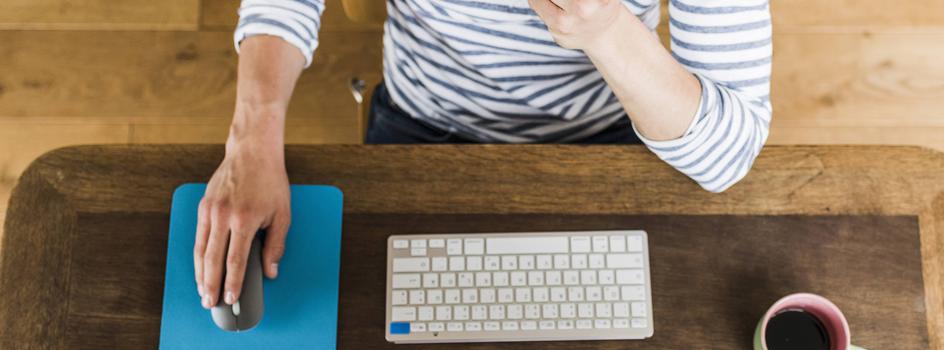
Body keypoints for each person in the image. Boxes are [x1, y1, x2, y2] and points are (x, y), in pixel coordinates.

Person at [194, 0, 772, 309]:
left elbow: (728, 154)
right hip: (424, 121)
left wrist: (608, 30)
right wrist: (252, 135)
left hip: (615, 135)